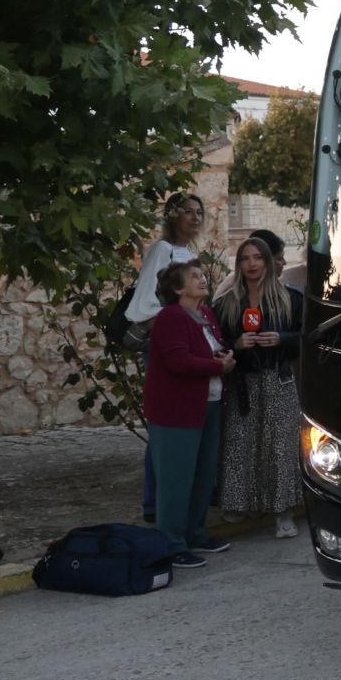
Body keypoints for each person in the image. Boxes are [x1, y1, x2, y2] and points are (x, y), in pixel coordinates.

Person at [142, 261, 234, 569]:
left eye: (201, 276)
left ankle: (196, 532)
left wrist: (224, 356)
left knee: (203, 474)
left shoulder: (205, 314)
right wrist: (217, 366)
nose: (202, 280)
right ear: (178, 288)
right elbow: (178, 361)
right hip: (175, 410)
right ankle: (171, 542)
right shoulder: (170, 317)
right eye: (194, 277)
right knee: (175, 478)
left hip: (208, 404)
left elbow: (212, 348)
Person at [213, 235, 305, 537]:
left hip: (278, 378)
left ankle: (283, 512)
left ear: (267, 261)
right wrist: (236, 344)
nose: (251, 264)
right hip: (243, 381)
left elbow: (308, 338)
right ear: (239, 264)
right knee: (240, 443)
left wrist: (283, 339)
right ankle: (238, 504)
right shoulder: (227, 304)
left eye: (257, 258)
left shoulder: (291, 299)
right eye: (245, 258)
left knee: (280, 446)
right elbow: (216, 345)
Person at [127, 192, 204, 523]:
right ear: (172, 215)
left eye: (198, 212)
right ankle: (153, 505)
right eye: (187, 212)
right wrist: (173, 329)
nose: (194, 217)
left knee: (178, 428)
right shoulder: (163, 250)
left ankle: (174, 502)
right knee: (164, 429)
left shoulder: (191, 252)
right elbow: (143, 303)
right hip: (166, 348)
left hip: (186, 346)